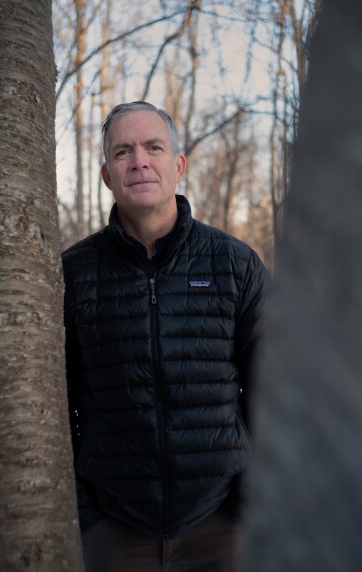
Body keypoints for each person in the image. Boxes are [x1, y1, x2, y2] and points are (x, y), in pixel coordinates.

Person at [62, 101, 268, 571]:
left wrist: (246, 505)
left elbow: (274, 394)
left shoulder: (234, 265)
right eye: (123, 152)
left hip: (222, 527)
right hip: (114, 534)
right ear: (106, 175)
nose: (139, 161)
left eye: (153, 147)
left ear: (177, 166)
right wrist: (87, 515)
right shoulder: (74, 274)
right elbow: (57, 400)